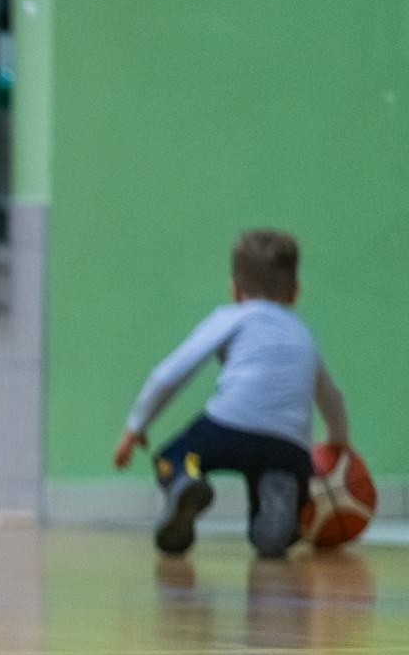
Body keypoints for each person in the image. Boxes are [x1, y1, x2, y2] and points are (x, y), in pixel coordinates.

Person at [113, 228, 350, 558]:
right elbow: (331, 397)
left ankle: (186, 480)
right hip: (288, 446)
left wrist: (135, 427)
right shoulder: (304, 335)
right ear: (295, 292)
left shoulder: (232, 317)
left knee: (172, 457)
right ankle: (275, 517)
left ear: (236, 289)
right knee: (277, 474)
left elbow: (170, 374)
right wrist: (338, 441)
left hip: (229, 427)